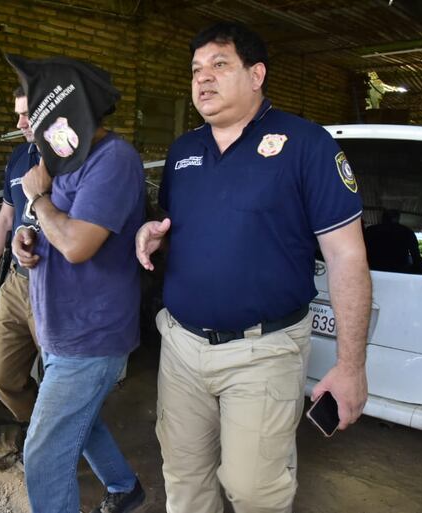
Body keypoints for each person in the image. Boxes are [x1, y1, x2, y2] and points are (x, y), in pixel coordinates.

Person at [135, 22, 371, 513]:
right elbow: (185, 230)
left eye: (219, 65)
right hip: (181, 346)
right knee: (183, 477)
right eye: (196, 69)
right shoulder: (183, 152)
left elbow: (346, 256)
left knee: (254, 490)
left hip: (263, 350)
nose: (203, 78)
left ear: (256, 74)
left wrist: (351, 367)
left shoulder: (307, 145)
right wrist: (153, 234)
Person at [10, 56, 146, 513]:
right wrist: (26, 236)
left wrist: (38, 199)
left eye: (31, 113)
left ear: (64, 109)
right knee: (80, 424)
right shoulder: (60, 160)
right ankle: (124, 487)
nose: (22, 123)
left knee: (44, 454)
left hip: (91, 336)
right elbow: (53, 228)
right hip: (58, 329)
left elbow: (75, 244)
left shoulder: (114, 159)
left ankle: (124, 487)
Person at [0, 87, 39, 425]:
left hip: (56, 286)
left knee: (61, 382)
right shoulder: (18, 156)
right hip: (16, 283)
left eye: (27, 113)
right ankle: (38, 429)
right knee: (3, 377)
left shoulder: (70, 158)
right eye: (18, 114)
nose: (20, 123)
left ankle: (55, 441)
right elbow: (5, 218)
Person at [363, 209, 422, 274]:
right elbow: (416, 256)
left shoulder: (371, 230)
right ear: (397, 219)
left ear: (383, 218)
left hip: (373, 270)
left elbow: (361, 250)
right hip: (398, 271)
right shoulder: (407, 232)